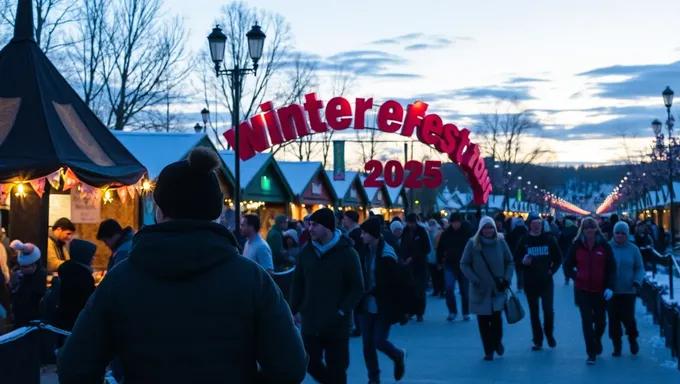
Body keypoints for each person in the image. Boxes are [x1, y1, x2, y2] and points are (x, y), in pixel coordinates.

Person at [57, 147, 307, 383]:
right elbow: (290, 366)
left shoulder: (120, 279)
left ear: (160, 210)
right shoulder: (252, 278)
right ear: (214, 211)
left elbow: (74, 367)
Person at [290, 207, 365, 384]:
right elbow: (298, 283)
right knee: (307, 360)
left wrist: (341, 310)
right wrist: (294, 309)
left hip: (337, 324)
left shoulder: (347, 253)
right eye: (309, 225)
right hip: (311, 321)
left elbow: (357, 288)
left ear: (327, 227)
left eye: (315, 225)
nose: (310, 229)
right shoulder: (306, 252)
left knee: (338, 368)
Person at [357, 218, 407, 383]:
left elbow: (392, 282)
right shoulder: (363, 251)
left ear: (373, 234)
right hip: (366, 303)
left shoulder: (387, 253)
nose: (361, 236)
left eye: (364, 233)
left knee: (378, 340)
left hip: (383, 303)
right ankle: (374, 377)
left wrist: (373, 291)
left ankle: (397, 355)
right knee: (367, 344)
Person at [563, 217, 616, 365]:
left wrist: (610, 286)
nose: (589, 231)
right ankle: (591, 352)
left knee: (600, 321)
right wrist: (576, 276)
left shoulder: (604, 246)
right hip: (583, 290)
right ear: (583, 230)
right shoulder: (577, 245)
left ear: (596, 229)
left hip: (600, 290)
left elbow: (611, 268)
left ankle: (597, 339)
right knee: (587, 321)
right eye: (586, 228)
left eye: (591, 228)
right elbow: (567, 265)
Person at [460, 216, 514, 361]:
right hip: (480, 288)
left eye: (490, 227)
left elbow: (510, 262)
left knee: (496, 319)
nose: (488, 230)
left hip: (498, 287)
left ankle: (497, 342)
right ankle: (488, 351)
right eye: (485, 228)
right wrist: (474, 279)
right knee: (483, 321)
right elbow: (464, 264)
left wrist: (507, 278)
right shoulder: (473, 244)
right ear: (480, 229)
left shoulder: (500, 242)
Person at [514, 212, 562, 350]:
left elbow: (559, 258)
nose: (537, 227)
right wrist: (523, 262)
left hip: (546, 281)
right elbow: (516, 259)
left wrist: (551, 271)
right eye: (534, 224)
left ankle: (549, 333)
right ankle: (537, 339)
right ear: (529, 225)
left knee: (548, 310)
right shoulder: (524, 241)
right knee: (534, 313)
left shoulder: (548, 240)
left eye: (539, 224)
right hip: (530, 281)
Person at [608, 221, 644, 357]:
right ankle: (617, 345)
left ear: (627, 234)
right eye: (618, 233)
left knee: (628, 318)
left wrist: (637, 281)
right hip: (611, 291)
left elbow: (639, 267)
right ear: (614, 234)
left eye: (623, 233)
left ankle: (632, 339)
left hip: (628, 290)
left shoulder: (633, 249)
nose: (620, 235)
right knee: (613, 319)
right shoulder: (607, 247)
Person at [436, 212, 472, 321]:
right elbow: (440, 249)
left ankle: (466, 312)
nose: (455, 224)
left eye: (457, 222)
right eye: (453, 222)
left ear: (461, 222)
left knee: (465, 291)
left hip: (465, 265)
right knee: (449, 288)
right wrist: (439, 262)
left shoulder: (467, 233)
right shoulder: (446, 234)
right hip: (450, 264)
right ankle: (452, 311)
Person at [56, 239, 97, 332]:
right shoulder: (82, 276)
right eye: (91, 255)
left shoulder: (68, 271)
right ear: (84, 256)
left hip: (64, 321)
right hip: (76, 323)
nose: (94, 258)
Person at [399, 214, 431, 322]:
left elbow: (427, 248)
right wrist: (403, 257)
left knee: (420, 289)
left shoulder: (421, 232)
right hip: (408, 265)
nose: (410, 225)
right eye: (408, 223)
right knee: (409, 289)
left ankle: (420, 312)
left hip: (419, 264)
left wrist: (414, 257)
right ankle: (410, 311)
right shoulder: (405, 232)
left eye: (411, 222)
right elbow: (402, 246)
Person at [8, 241, 46, 328]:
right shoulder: (20, 275)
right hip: (20, 319)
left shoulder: (40, 277)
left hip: (32, 321)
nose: (22, 269)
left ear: (34, 265)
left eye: (25, 267)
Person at [507, 217, 528, 291]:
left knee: (518, 270)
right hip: (525, 254)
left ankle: (520, 285)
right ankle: (524, 284)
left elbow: (509, 244)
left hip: (515, 254)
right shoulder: (526, 233)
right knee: (524, 270)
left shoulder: (513, 233)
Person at [558, 219, 578, 285]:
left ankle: (567, 278)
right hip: (575, 250)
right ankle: (577, 277)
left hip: (565, 251)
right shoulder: (576, 229)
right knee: (577, 264)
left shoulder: (563, 231)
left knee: (565, 265)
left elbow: (559, 242)